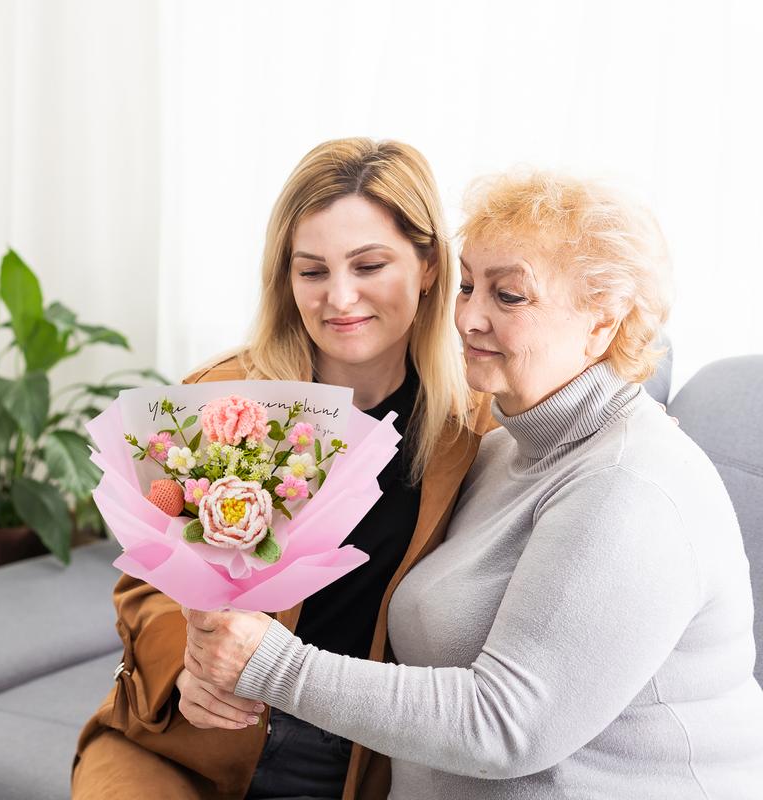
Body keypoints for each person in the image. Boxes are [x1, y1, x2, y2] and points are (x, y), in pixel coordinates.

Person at [183, 170, 763, 799]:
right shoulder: (497, 448)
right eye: (468, 287)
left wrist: (270, 665)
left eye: (509, 296)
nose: (468, 318)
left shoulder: (629, 486)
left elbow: (506, 725)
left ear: (604, 323)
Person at [72, 138, 494, 800]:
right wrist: (181, 669)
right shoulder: (226, 399)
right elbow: (145, 582)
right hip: (182, 743)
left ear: (430, 265)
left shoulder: (474, 426)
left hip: (347, 764)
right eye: (313, 271)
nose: (340, 298)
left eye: (369, 264)